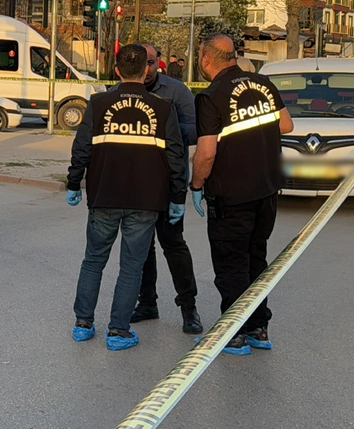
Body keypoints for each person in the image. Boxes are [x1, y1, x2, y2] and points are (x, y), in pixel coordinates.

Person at [66, 43, 187, 352]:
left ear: (116, 70)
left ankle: (83, 323)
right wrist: (178, 195)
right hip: (145, 200)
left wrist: (73, 183)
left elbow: (81, 148)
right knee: (132, 267)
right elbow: (175, 156)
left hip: (105, 195)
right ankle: (118, 331)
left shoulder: (97, 104)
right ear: (147, 70)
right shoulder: (162, 108)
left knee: (93, 260)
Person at [190, 34, 293, 355]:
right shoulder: (263, 84)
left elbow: (206, 153)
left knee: (231, 263)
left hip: (231, 194)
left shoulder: (212, 95)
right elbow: (286, 125)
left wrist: (195, 186)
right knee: (256, 259)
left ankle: (233, 334)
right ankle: (258, 328)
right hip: (266, 189)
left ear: (206, 59)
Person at [129, 44, 203, 334]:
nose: (146, 69)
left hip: (169, 182)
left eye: (150, 62)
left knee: (173, 245)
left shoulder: (177, 91)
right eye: (141, 63)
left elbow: (197, 129)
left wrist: (163, 126)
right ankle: (147, 302)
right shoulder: (125, 89)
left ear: (158, 62)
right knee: (142, 248)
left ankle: (189, 307)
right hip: (137, 184)